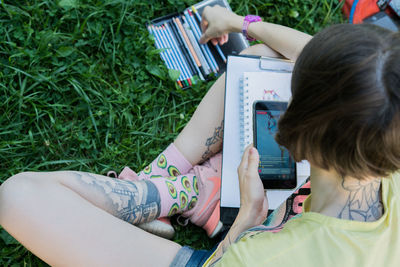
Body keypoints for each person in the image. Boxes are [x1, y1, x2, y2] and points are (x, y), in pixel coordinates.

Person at [1, 4, 400, 267]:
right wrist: (242, 25)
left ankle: (175, 194)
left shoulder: (271, 257)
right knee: (263, 57)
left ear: (296, 134)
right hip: (293, 217)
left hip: (234, 255)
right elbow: (323, 60)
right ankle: (174, 187)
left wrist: (247, 220)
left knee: (17, 197)